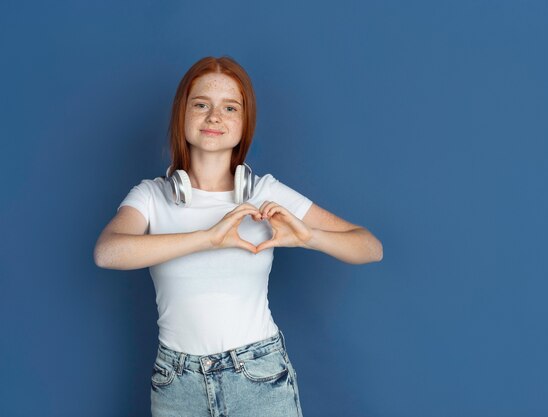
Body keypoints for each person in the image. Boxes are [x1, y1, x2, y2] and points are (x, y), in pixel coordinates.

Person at [93, 56, 383, 417]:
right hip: (176, 382)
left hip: (258, 376)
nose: (214, 117)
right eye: (201, 104)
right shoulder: (151, 196)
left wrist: (308, 237)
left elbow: (370, 247)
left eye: (230, 107)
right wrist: (208, 238)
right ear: (181, 114)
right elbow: (107, 252)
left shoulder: (264, 192)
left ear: (244, 124)